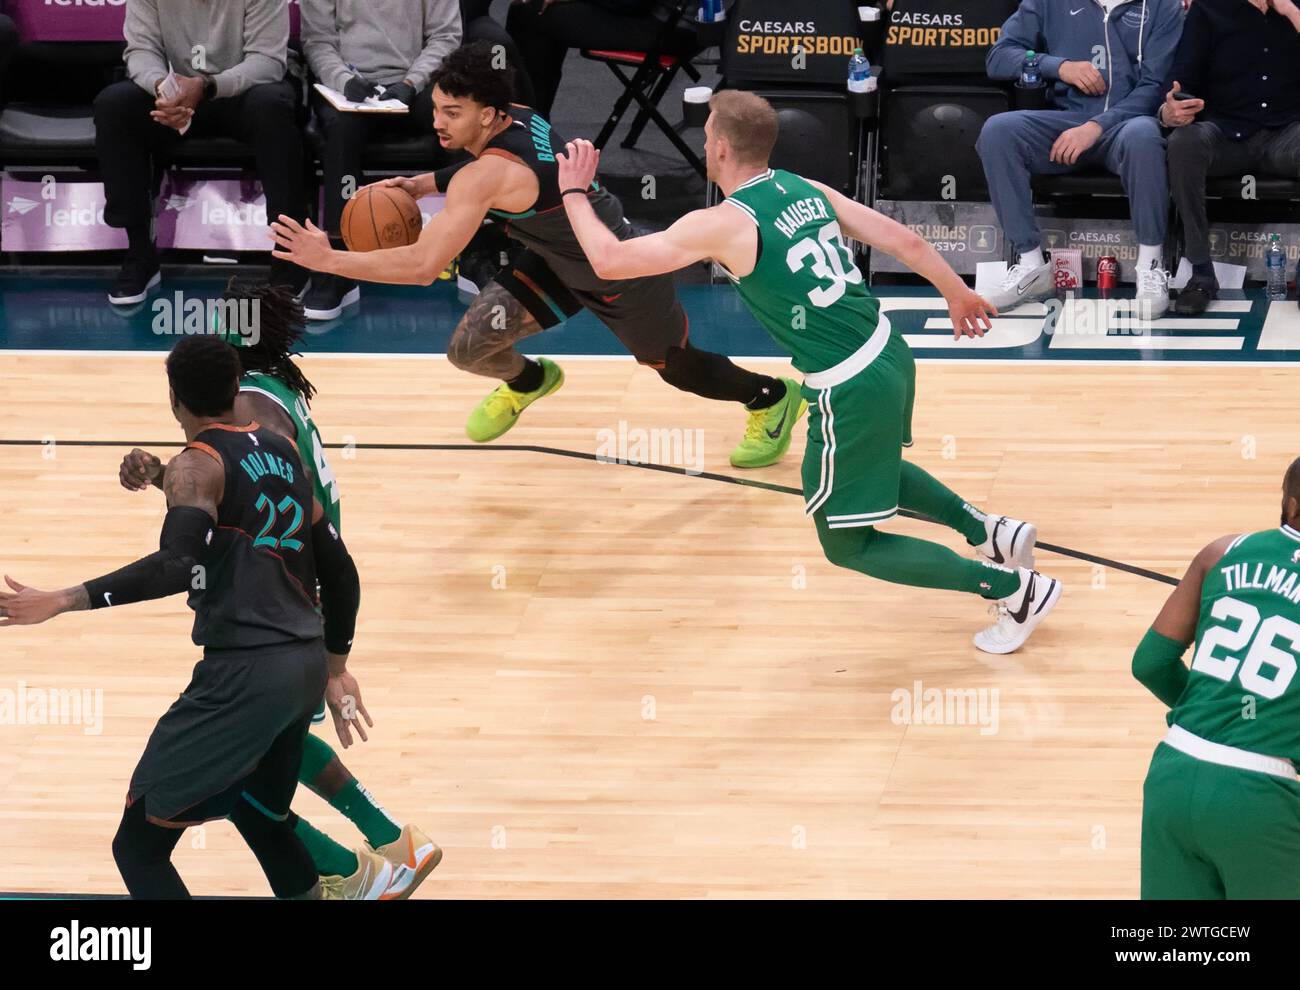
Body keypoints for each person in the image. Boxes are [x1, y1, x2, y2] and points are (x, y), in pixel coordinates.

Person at [554, 91, 1064, 654]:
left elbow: (610, 261)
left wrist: (573, 191)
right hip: (886, 348)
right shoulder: (801, 186)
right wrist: (957, 293)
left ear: (720, 147)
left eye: (704, 137)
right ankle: (992, 532)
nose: (703, 144)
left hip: (848, 383)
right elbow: (907, 240)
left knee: (847, 542)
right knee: (873, 467)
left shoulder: (721, 223)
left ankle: (1015, 590)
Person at [270, 42, 806, 470]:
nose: (438, 122)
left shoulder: (485, 176)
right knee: (468, 348)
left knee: (675, 367)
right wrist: (421, 184)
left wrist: (328, 260)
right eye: (436, 108)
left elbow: (421, 266)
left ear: (489, 116)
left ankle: (770, 397)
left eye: (453, 113)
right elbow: (488, 176)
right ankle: (530, 380)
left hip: (616, 262)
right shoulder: (521, 117)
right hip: (555, 254)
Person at [0, 336, 362, 899]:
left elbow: (176, 566)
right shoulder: (279, 448)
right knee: (263, 815)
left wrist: (64, 599)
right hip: (304, 664)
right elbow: (340, 570)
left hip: (244, 675)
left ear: (174, 398)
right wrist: (335, 665)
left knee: (137, 846)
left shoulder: (198, 465)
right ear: (234, 387)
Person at [119, 282, 441, 900]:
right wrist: (165, 475)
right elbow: (241, 493)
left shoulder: (253, 405)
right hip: (298, 575)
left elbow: (245, 487)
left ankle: (358, 871)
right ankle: (393, 844)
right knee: (276, 741)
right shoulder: (277, 386)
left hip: (283, 586)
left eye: (220, 319)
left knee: (240, 770)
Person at [1134, 457, 1300, 897]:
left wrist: (1216, 711)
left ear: (1290, 502)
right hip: (1261, 792)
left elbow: (1150, 663)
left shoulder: (1221, 552)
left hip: (1174, 769)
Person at [93, 0, 310, 306]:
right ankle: (139, 251)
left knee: (272, 107)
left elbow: (267, 62)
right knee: (114, 105)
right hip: (176, 92)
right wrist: (162, 89)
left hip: (242, 92)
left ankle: (292, 260)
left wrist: (207, 86)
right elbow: (140, 50)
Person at [978, 0, 1185, 317]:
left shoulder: (1162, 6)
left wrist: (1096, 126)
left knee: (1144, 135)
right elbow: (998, 58)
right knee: (999, 131)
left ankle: (1151, 265)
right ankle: (1032, 264)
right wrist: (1059, 67)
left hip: (1126, 125)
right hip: (1063, 124)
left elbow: (1155, 86)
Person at [300, 0, 463, 320]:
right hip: (348, 87)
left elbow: (445, 36)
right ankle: (338, 262)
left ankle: (474, 248)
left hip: (416, 85)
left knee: (461, 117)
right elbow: (317, 40)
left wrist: (411, 83)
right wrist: (343, 80)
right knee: (340, 130)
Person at [1160, 0, 1300, 315]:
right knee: (1184, 142)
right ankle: (1201, 274)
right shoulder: (1209, 9)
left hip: (1287, 133)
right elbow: (1182, 81)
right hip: (1228, 134)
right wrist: (1170, 111)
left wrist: (1290, 11)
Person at [505, 0, 697, 118]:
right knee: (541, 11)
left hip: (671, 27)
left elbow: (631, 4)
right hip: (688, 21)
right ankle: (532, 122)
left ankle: (526, 128)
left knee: (529, 13)